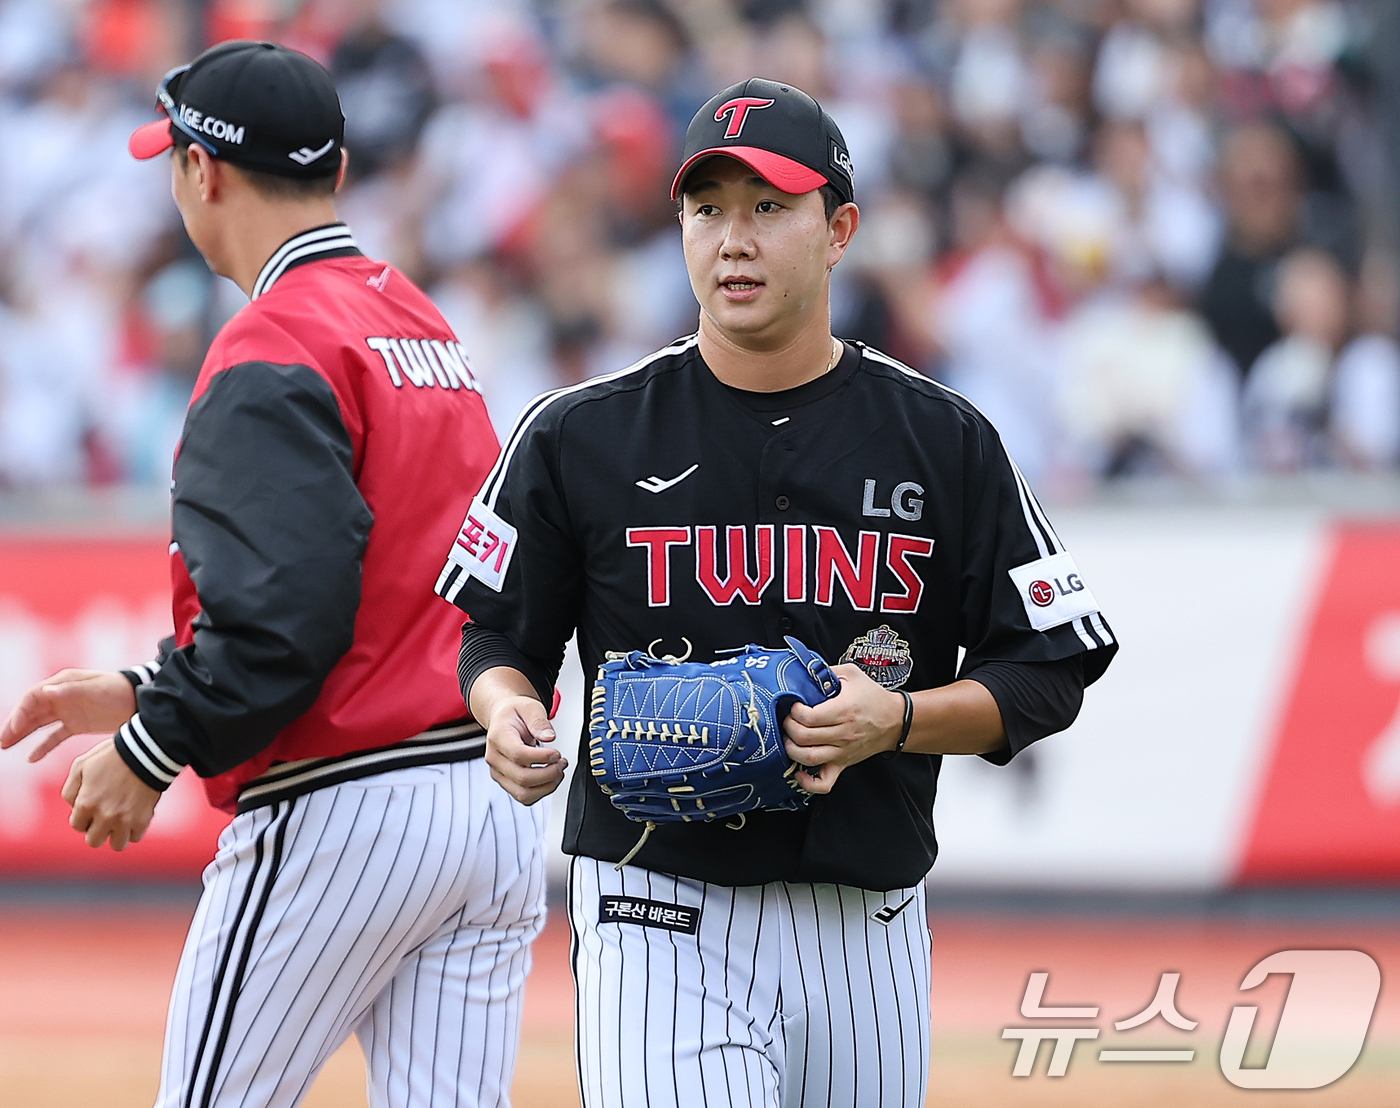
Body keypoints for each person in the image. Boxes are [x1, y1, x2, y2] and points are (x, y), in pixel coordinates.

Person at [437, 78, 1118, 1107]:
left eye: (768, 207)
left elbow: (1051, 667)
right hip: (654, 904)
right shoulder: (580, 433)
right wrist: (506, 711)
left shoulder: (941, 438)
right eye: (706, 209)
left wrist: (894, 720)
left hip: (867, 919)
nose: (732, 239)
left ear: (837, 228)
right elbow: (495, 636)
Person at [0, 41, 545, 1108]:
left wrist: (153, 746)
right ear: (334, 171)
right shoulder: (421, 321)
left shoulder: (276, 338)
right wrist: (148, 688)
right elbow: (393, 573)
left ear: (201, 172)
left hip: (346, 799)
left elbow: (285, 614)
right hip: (483, 800)